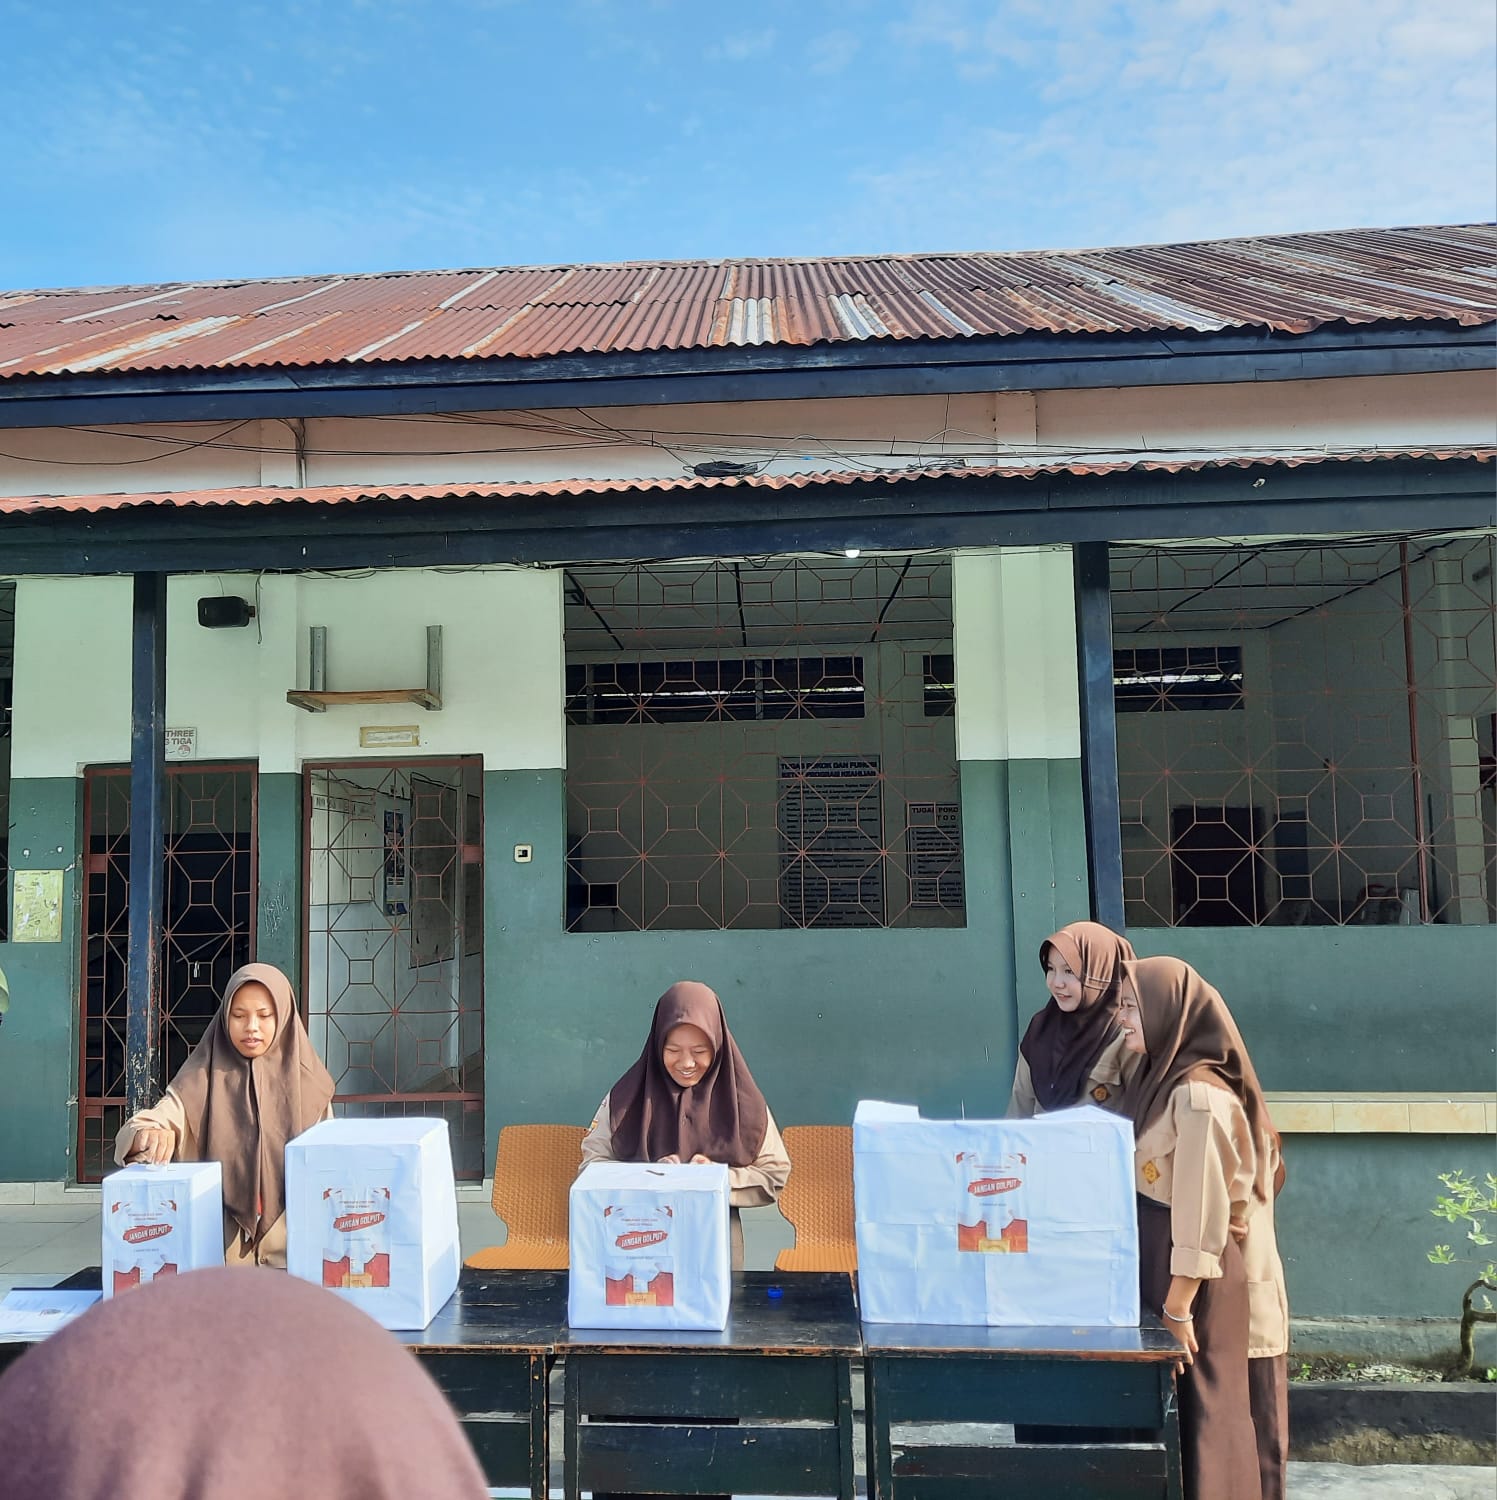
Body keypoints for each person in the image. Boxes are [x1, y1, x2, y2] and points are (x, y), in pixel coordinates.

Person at [0, 1266, 489, 1499]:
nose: (253, 1051)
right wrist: (148, 1139)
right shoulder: (196, 1087)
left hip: (308, 1289)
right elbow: (156, 1122)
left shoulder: (312, 1093)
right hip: (190, 1293)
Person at [1116, 956, 1289, 1500]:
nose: (1120, 1019)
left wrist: (1177, 1306)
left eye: (1130, 1008)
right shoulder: (1156, 1079)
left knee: (1207, 1416)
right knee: (1178, 1418)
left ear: (1168, 1013)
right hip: (1164, 1270)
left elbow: (1202, 1213)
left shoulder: (1197, 1096)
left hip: (1192, 1282)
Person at [114, 963, 336, 1269]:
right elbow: (147, 1124)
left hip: (297, 1263)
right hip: (218, 1263)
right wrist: (148, 1135)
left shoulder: (311, 1087)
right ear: (224, 1017)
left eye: (264, 1015)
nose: (251, 1027)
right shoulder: (200, 1078)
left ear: (283, 1017)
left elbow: (332, 1170)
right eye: (239, 1015)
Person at [581, 979, 790, 1270]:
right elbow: (591, 1166)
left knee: (721, 1315)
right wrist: (650, 1177)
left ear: (718, 1044)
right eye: (673, 1050)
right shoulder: (625, 1099)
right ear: (657, 1045)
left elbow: (775, 1172)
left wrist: (715, 1179)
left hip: (715, 1247)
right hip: (636, 1246)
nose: (687, 1062)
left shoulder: (745, 1102)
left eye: (700, 1051)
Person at [1008, 920, 1139, 1117]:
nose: (1056, 982)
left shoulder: (1129, 1036)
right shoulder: (1040, 1030)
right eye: (1051, 969)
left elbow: (1145, 1127)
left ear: (1100, 972)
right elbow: (1018, 1114)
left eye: (1069, 971)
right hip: (1040, 1146)